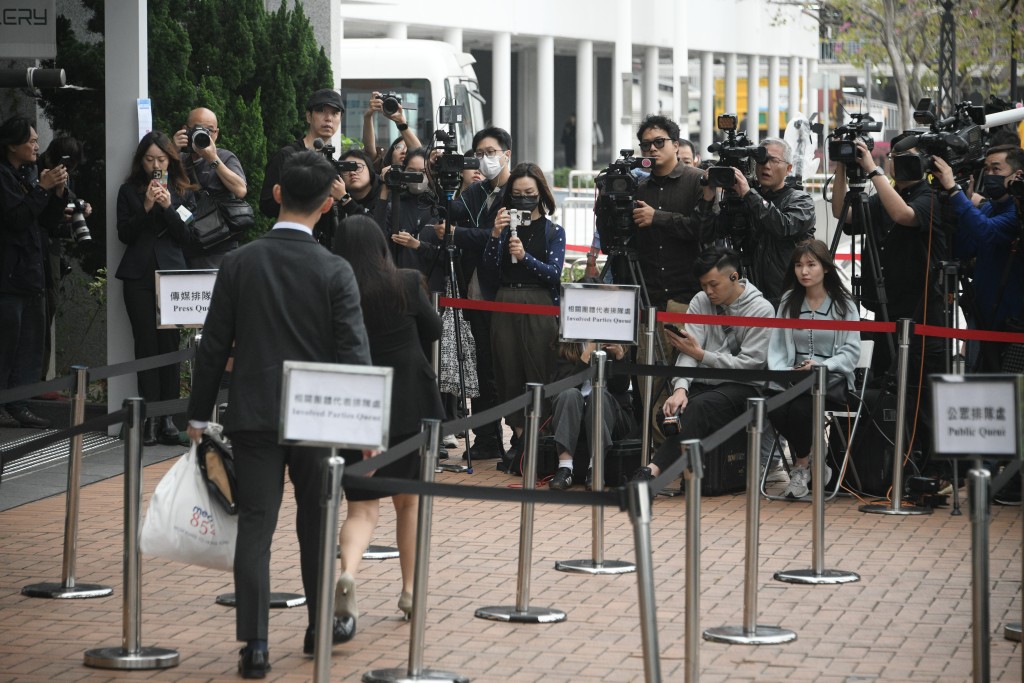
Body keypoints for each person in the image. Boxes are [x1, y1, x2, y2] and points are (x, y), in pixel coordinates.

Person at [186, 150, 370, 678]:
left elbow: (213, 344)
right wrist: (364, 429)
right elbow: (354, 352)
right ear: (326, 205)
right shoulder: (335, 268)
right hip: (319, 416)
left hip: (254, 413)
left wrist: (198, 415)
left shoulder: (240, 262)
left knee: (256, 527)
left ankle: (256, 646)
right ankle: (317, 629)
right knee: (316, 522)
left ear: (276, 196)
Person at [331, 214, 443, 624]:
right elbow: (434, 331)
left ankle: (348, 572)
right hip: (409, 404)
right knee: (409, 503)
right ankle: (411, 591)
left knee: (360, 508)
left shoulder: (335, 288)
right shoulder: (408, 282)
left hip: (357, 406)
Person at [631, 247, 774, 482]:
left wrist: (702, 355)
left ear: (734, 277)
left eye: (713, 284)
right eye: (703, 285)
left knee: (696, 410)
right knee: (670, 413)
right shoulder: (700, 300)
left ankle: (652, 470)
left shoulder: (762, 309)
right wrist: (680, 389)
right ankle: (694, 475)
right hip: (705, 384)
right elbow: (688, 350)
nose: (708, 291)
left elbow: (750, 366)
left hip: (743, 386)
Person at [831, 137, 949, 380]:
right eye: (895, 156)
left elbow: (903, 214)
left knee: (918, 387)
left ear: (924, 163)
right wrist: (842, 166)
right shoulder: (885, 196)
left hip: (921, 309)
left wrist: (873, 170)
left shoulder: (931, 197)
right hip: (886, 307)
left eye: (908, 157)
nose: (898, 162)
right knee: (885, 381)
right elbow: (843, 213)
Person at [482, 162, 565, 465]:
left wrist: (525, 257)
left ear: (541, 192)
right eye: (517, 194)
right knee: (507, 371)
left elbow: (554, 274)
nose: (523, 199)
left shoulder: (553, 231)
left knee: (540, 369)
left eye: (529, 193)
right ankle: (518, 437)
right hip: (505, 301)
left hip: (540, 304)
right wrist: (494, 236)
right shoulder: (504, 227)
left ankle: (540, 439)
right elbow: (489, 269)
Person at [114, 131, 194, 446]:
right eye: (149, 159)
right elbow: (125, 235)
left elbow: (187, 238)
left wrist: (169, 207)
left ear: (170, 161)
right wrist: (146, 206)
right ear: (141, 161)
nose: (155, 165)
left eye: (161, 159)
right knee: (146, 346)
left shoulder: (183, 190)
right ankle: (148, 419)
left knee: (170, 346)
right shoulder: (128, 191)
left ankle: (168, 419)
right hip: (138, 277)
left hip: (173, 277)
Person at [441, 126, 516, 460]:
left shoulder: (518, 190)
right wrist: (446, 180)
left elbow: (492, 234)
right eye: (480, 154)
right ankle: (486, 437)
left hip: (504, 290)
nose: (486, 160)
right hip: (473, 291)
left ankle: (518, 437)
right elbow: (451, 212)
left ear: (506, 154)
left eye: (491, 152)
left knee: (504, 366)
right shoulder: (475, 191)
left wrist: (459, 234)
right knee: (481, 364)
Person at [767, 240, 861, 499]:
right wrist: (783, 372)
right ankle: (814, 458)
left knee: (799, 410)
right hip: (792, 377)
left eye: (811, 265)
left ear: (826, 268)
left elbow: (852, 353)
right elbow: (776, 346)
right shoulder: (789, 300)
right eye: (798, 265)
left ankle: (800, 468)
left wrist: (822, 365)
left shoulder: (844, 304)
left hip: (830, 378)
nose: (804, 271)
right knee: (771, 405)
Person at [0, 116, 68, 429]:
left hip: (32, 273)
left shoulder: (28, 174)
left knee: (30, 342)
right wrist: (41, 189)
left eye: (36, 140)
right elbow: (15, 219)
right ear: (12, 145)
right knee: (7, 343)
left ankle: (20, 404)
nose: (36, 146)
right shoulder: (3, 176)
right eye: (30, 141)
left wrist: (56, 193)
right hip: (8, 277)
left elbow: (45, 223)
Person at [932, 146, 1024, 371]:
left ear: (1017, 175)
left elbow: (987, 232)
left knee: (1008, 388)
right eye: (987, 169)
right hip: (981, 312)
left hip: (1011, 319)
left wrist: (954, 191)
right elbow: (962, 249)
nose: (990, 175)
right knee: (978, 378)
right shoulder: (990, 208)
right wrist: (957, 206)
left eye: (996, 169)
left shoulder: (1017, 213)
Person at [698, 137, 816, 308]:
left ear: (789, 168)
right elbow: (705, 233)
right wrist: (708, 198)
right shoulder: (744, 198)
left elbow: (783, 226)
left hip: (790, 296)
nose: (766, 166)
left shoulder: (800, 200)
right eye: (761, 160)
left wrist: (749, 194)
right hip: (749, 297)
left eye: (774, 161)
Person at [260, 89, 349, 247]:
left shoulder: (335, 165)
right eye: (321, 111)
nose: (328, 118)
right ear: (309, 116)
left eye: (335, 113)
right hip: (291, 243)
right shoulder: (287, 156)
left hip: (327, 250)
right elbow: (266, 205)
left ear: (340, 119)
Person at [37, 137, 92, 380]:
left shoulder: (66, 176)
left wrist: (78, 207)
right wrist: (50, 189)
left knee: (48, 309)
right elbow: (41, 220)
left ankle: (40, 378)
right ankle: (29, 384)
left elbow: (59, 216)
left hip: (51, 252)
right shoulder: (33, 174)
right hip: (32, 253)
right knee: (36, 315)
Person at [548, 341, 636, 490]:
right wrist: (585, 356)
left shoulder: (615, 342)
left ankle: (595, 467)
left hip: (610, 414)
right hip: (574, 411)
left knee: (598, 394)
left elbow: (621, 388)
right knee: (569, 394)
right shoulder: (565, 345)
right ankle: (565, 467)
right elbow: (564, 386)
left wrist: (620, 356)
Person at [172, 107, 248, 268]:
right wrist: (171, 152)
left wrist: (213, 159)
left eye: (210, 130)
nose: (205, 134)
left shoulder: (225, 157)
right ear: (185, 130)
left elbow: (241, 190)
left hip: (218, 245)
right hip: (185, 245)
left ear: (217, 133)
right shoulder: (177, 159)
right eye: (198, 129)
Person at [361, 90, 422, 171]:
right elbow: (369, 150)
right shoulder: (381, 170)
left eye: (408, 148)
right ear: (391, 152)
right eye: (399, 147)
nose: (404, 151)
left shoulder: (418, 179)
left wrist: (400, 122)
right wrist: (368, 116)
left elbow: (417, 152)